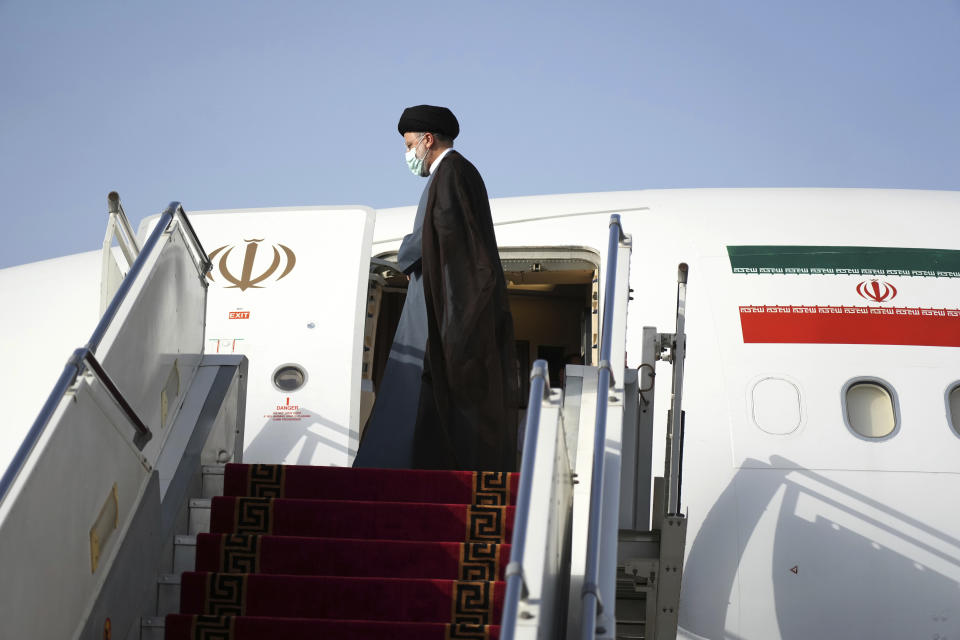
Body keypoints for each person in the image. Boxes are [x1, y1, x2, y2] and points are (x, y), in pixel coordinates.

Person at [354, 105, 519, 471]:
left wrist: (405, 254)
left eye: (410, 144)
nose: (408, 154)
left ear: (428, 140)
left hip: (438, 301)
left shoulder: (451, 174)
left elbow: (440, 231)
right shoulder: (460, 174)